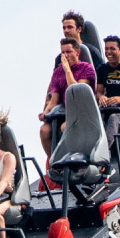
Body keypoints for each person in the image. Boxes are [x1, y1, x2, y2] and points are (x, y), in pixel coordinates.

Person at [39, 15, 96, 153]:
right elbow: (54, 97)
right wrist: (45, 111)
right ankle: (55, 164)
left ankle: (72, 158)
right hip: (63, 109)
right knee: (45, 131)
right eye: (63, 53)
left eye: (68, 52)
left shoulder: (87, 67)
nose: (65, 56)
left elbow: (75, 91)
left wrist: (67, 70)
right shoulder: (58, 70)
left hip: (81, 109)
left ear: (77, 53)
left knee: (66, 127)